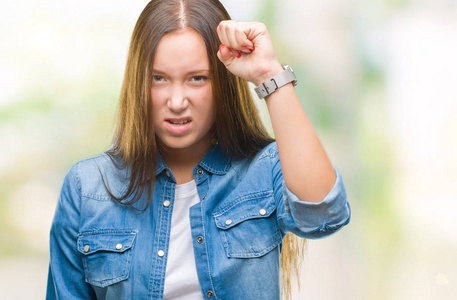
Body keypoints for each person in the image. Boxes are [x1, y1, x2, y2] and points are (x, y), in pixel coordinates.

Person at [46, 0, 351, 299]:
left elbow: (324, 215)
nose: (177, 102)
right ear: (138, 81)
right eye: (158, 78)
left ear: (222, 83)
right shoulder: (87, 187)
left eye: (197, 78)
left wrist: (269, 73)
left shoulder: (264, 168)